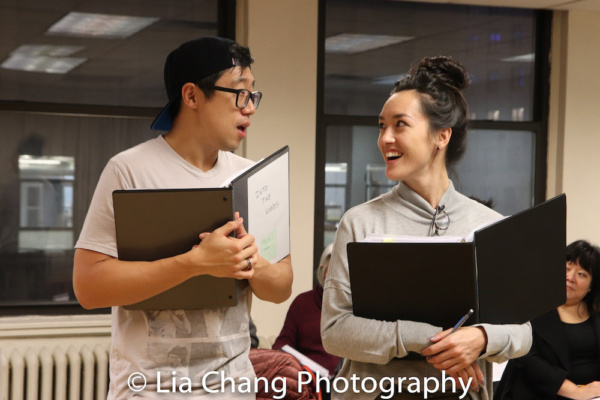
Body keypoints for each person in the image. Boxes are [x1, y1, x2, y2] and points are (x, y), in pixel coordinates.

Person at [73, 36, 293, 399]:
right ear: (191, 96)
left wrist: (249, 260)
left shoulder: (253, 177)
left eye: (254, 95)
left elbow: (281, 287)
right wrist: (194, 263)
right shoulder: (129, 171)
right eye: (240, 93)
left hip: (232, 390)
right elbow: (88, 287)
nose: (250, 108)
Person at [320, 56, 532, 400]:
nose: (385, 138)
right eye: (381, 125)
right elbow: (334, 331)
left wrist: (480, 339)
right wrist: (433, 340)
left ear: (441, 136)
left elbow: (523, 332)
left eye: (400, 125)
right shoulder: (360, 222)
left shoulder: (490, 225)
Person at [495, 240, 600, 400]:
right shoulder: (532, 307)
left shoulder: (596, 312)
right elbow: (526, 358)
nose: (570, 277)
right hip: (539, 394)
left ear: (591, 285)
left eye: (581, 274)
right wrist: (575, 392)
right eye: (566, 269)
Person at [273, 243, 341, 376]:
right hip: (308, 381)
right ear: (323, 271)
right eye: (333, 270)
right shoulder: (303, 303)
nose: (338, 278)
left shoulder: (356, 307)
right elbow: (281, 346)